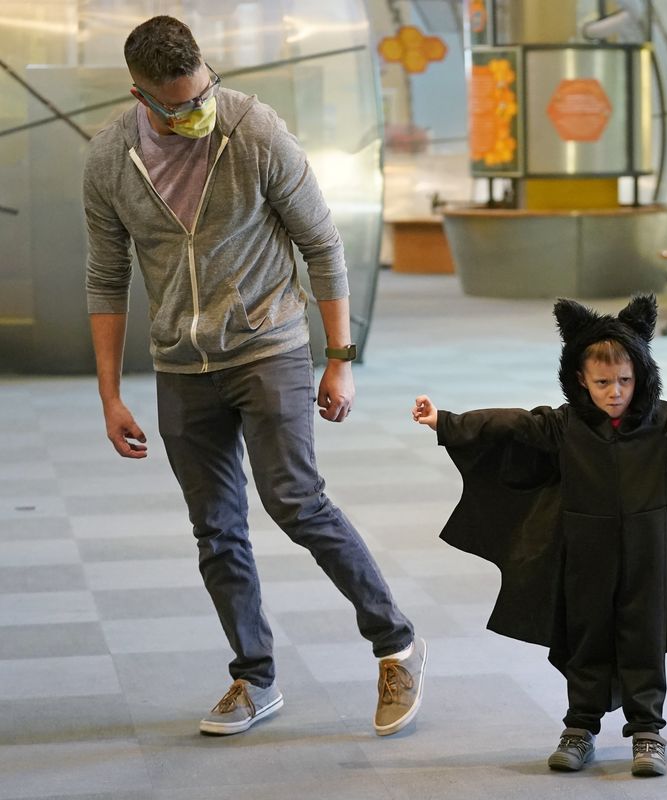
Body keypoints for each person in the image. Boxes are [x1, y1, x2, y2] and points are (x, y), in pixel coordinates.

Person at [83, 15, 425, 737]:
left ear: (208, 73)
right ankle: (254, 676)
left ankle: (396, 643)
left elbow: (322, 244)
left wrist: (340, 359)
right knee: (215, 530)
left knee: (294, 500)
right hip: (181, 365)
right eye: (173, 106)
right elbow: (106, 278)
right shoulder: (111, 158)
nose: (191, 113)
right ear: (140, 96)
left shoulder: (254, 131)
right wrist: (111, 393)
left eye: (200, 94)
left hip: (269, 347)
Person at [411, 295, 667, 777]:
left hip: (649, 551)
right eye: (602, 382)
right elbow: (510, 422)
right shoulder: (564, 425)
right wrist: (445, 421)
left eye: (624, 380)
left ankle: (648, 731)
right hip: (584, 552)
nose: (615, 391)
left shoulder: (663, 420)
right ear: (580, 379)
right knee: (586, 633)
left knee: (645, 633)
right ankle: (580, 726)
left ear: (640, 375)